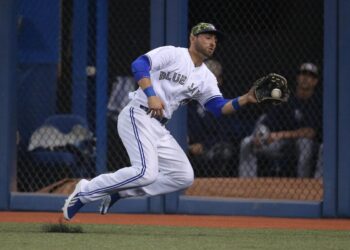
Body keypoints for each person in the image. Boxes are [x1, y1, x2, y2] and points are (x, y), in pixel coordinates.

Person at [63, 22, 258, 220]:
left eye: (215, 39)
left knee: (183, 176)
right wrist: (151, 94)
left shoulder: (206, 77)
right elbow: (139, 65)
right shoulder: (173, 54)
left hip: (158, 126)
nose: (213, 42)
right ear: (193, 38)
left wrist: (245, 99)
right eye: (208, 37)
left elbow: (218, 106)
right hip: (138, 114)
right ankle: (85, 191)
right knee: (146, 172)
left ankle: (120, 192)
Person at [238, 62, 322, 178]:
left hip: (304, 145)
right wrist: (260, 135)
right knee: (247, 142)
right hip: (281, 144)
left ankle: (304, 185)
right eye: (303, 74)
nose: (306, 78)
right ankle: (245, 184)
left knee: (304, 144)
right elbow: (267, 122)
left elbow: (310, 132)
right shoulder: (286, 100)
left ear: (315, 81)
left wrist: (280, 135)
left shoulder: (317, 103)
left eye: (311, 75)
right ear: (298, 77)